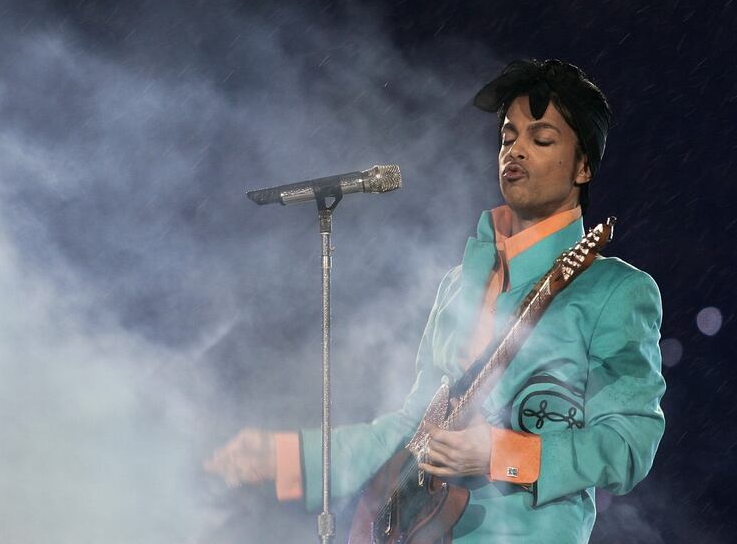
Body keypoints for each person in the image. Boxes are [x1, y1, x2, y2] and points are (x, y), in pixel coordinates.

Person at [205, 59, 666, 543]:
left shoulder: (615, 291)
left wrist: (501, 454)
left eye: (541, 139)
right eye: (508, 138)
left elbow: (629, 443)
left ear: (583, 166)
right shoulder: (459, 285)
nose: (516, 151)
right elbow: (411, 429)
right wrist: (287, 457)